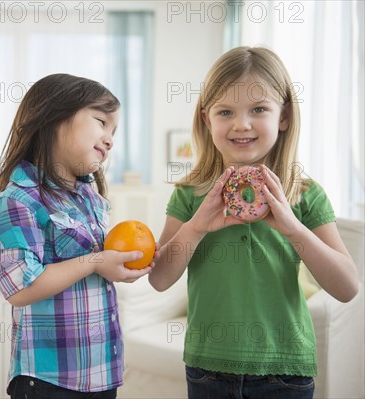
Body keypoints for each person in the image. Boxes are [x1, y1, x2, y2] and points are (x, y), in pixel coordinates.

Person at [149, 46, 359, 399]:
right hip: (207, 366)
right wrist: (197, 226)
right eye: (225, 111)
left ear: (284, 117)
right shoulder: (190, 194)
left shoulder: (304, 195)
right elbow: (159, 278)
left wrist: (293, 228)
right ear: (206, 119)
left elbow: (347, 287)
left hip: (285, 368)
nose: (241, 124)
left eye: (258, 109)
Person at [0, 73, 155, 398]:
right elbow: (22, 287)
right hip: (49, 379)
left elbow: (96, 268)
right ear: (54, 117)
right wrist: (95, 262)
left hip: (100, 372)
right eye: (101, 122)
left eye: (114, 131)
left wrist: (117, 266)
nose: (110, 138)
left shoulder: (90, 198)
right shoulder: (19, 200)